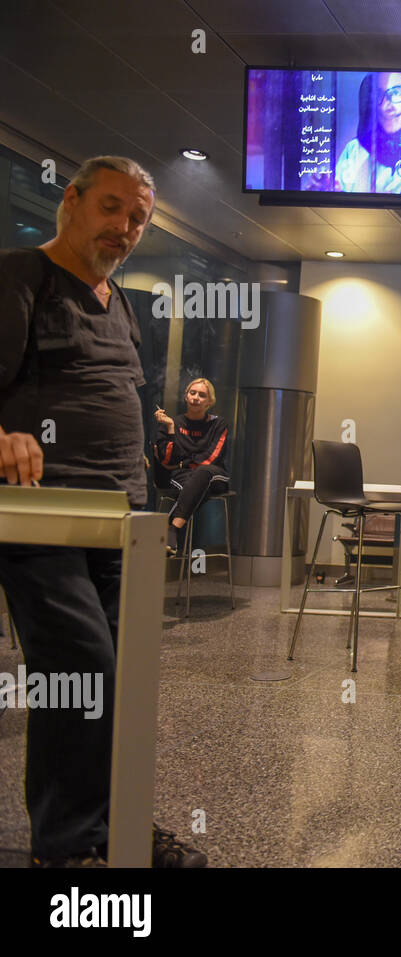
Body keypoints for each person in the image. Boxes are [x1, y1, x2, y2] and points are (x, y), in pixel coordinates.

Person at [0, 155, 205, 867]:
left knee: (123, 675)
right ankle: (65, 845)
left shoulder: (119, 302)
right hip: (43, 519)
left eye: (138, 219)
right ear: (74, 200)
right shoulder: (20, 278)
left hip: (124, 524)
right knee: (82, 669)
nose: (124, 227)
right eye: (112, 208)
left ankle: (117, 827)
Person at [153, 377, 229, 556]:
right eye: (192, 393)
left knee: (202, 473)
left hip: (214, 475)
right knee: (194, 486)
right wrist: (171, 428)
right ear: (186, 396)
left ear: (209, 402)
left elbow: (212, 456)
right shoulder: (172, 423)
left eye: (202, 395)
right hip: (184, 477)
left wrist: (184, 462)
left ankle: (172, 528)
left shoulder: (218, 424)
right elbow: (167, 460)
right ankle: (173, 531)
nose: (196, 397)